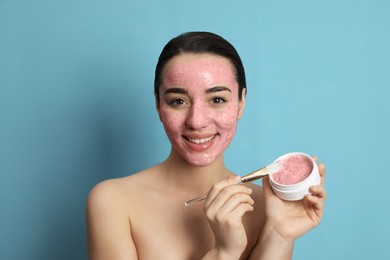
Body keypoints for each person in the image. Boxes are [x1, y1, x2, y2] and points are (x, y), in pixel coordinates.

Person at [86, 31, 326, 260]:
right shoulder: (114, 201)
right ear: (159, 105)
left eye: (217, 99)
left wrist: (279, 234)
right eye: (178, 101)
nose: (197, 121)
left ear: (241, 102)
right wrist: (225, 252)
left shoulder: (268, 207)